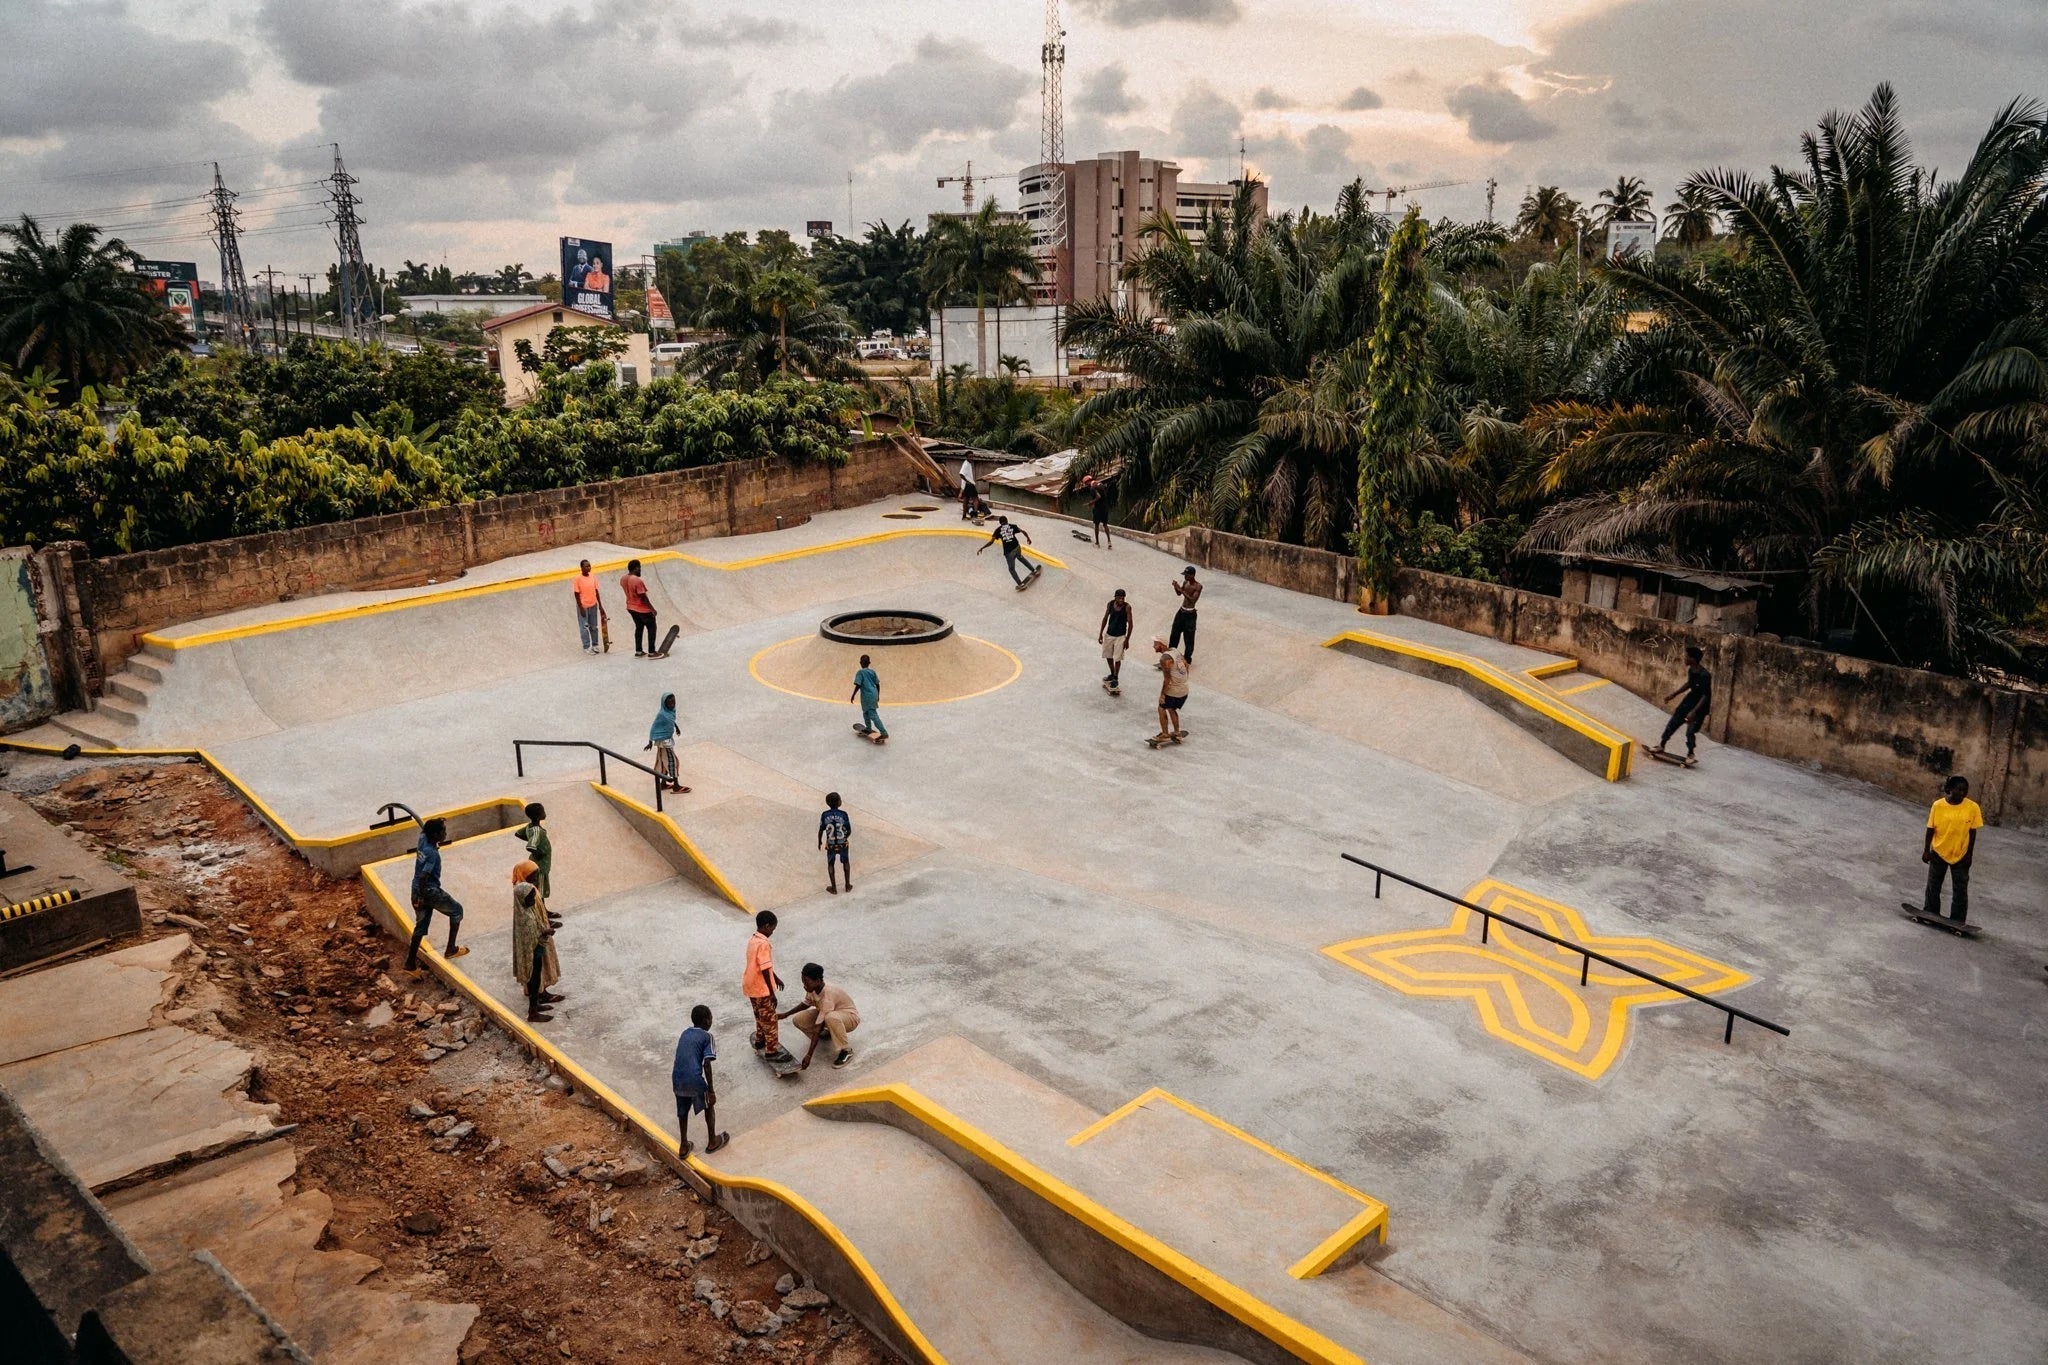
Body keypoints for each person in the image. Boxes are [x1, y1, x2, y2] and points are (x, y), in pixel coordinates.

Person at [1920, 775, 1984, 924]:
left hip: (1960, 855)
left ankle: (1957, 919)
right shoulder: (1938, 806)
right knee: (1933, 885)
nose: (1963, 793)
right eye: (1959, 789)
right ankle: (1930, 912)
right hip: (1939, 852)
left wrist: (1969, 854)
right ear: (1949, 789)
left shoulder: (1973, 807)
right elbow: (1930, 829)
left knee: (1960, 889)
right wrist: (1926, 850)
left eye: (1965, 790)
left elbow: (1972, 832)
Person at [405, 818, 467, 970]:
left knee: (420, 926)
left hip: (416, 890)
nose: (445, 833)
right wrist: (422, 896)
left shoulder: (422, 839)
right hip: (429, 891)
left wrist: (417, 896)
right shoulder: (432, 854)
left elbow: (423, 829)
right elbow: (424, 876)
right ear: (435, 834)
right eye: (443, 831)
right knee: (457, 911)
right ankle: (451, 949)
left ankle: (410, 963)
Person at [671, 1005, 729, 1155]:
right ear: (706, 1021)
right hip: (694, 1079)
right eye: (711, 1018)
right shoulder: (706, 1036)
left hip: (677, 1078)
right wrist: (711, 1090)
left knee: (682, 1111)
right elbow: (707, 1064)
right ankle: (712, 1141)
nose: (711, 1021)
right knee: (709, 1104)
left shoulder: (685, 1033)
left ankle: (684, 1145)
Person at [782, 963, 859, 1070]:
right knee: (798, 1019)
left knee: (830, 1017)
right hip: (830, 1014)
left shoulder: (828, 994)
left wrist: (809, 1055)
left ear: (818, 981)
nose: (804, 986)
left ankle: (846, 1051)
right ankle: (828, 1034)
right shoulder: (812, 988)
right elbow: (806, 1003)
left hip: (850, 1018)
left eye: (807, 983)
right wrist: (786, 1014)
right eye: (803, 982)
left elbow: (818, 1027)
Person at [511, 860, 562, 1023]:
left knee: (537, 975)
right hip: (533, 953)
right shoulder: (525, 916)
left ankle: (538, 1001)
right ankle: (533, 1011)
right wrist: (546, 930)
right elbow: (532, 934)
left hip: (537, 949)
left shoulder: (526, 908)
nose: (533, 900)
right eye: (531, 898)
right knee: (534, 979)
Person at [743, 911, 795, 1065]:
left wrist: (776, 977)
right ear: (766, 926)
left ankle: (760, 1039)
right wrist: (772, 993)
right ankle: (771, 1051)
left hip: (750, 985)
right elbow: (765, 969)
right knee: (770, 1020)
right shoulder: (764, 943)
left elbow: (763, 965)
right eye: (772, 928)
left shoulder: (753, 940)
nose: (773, 931)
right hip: (762, 989)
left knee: (759, 1015)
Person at [1648, 645, 1712, 767]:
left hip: (1699, 707)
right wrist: (1674, 694)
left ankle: (1690, 754)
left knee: (1690, 731)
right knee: (1673, 723)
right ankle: (1661, 745)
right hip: (1688, 701)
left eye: (1686, 656)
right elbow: (1689, 684)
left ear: (1693, 659)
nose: (1684, 658)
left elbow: (1705, 696)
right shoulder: (1691, 670)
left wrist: (1693, 712)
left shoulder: (1705, 675)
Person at [517, 802, 560, 928]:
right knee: (539, 893)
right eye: (542, 811)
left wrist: (531, 838)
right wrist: (540, 852)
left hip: (540, 865)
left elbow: (518, 833)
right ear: (537, 816)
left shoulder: (531, 827)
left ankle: (544, 912)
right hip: (539, 866)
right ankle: (543, 919)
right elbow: (530, 846)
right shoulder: (536, 830)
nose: (544, 813)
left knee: (540, 891)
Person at [645, 693, 690, 793]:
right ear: (665, 704)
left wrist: (676, 728)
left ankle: (663, 783)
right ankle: (676, 786)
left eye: (674, 702)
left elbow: (671, 721)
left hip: (667, 739)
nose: (673, 704)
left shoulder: (670, 712)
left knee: (662, 760)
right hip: (664, 741)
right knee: (672, 761)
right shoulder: (662, 715)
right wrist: (650, 741)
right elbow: (654, 727)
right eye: (670, 703)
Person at [977, 515, 1038, 586]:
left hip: (1009, 552)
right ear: (1007, 521)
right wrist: (1028, 538)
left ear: (1000, 523)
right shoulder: (1012, 526)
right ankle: (1034, 570)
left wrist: (982, 548)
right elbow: (1023, 531)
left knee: (1011, 569)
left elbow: (991, 542)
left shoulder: (997, 530)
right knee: (1020, 557)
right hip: (1017, 547)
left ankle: (1020, 584)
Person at [1151, 636, 1189, 744]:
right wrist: (1184, 680)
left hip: (1175, 690)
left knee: (1161, 707)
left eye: (1155, 644)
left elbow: (1167, 680)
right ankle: (1177, 732)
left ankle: (1165, 734)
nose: (1153, 646)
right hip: (1184, 689)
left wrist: (1162, 695)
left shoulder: (1164, 659)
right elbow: (1186, 665)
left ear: (1161, 645)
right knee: (1171, 708)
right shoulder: (1175, 651)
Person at [620, 559, 658, 656]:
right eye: (640, 568)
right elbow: (643, 596)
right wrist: (652, 609)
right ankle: (652, 652)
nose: (640, 570)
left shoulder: (623, 578)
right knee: (652, 627)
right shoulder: (637, 580)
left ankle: (639, 650)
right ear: (636, 568)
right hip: (641, 609)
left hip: (631, 608)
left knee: (639, 627)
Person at [1098, 589, 1133, 691]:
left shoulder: (1127, 607)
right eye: (1119, 598)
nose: (1121, 600)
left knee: (1117, 658)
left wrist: (1127, 639)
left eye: (1123, 598)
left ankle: (1116, 678)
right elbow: (1105, 618)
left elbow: (1131, 624)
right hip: (1109, 634)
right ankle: (1112, 674)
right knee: (1108, 655)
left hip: (1120, 636)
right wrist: (1100, 633)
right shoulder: (1110, 604)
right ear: (1115, 597)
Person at [819, 791, 853, 894]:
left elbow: (821, 830)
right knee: (846, 862)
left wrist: (819, 841)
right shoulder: (843, 814)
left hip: (831, 844)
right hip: (843, 843)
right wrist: (845, 838)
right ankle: (847, 885)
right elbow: (849, 830)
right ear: (839, 802)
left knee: (830, 863)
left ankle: (833, 888)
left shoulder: (824, 815)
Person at [850, 655, 888, 743]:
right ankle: (868, 728)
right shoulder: (872, 672)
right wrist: (877, 695)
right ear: (869, 663)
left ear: (860, 663)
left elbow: (858, 685)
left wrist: (853, 695)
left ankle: (884, 732)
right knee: (866, 712)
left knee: (873, 714)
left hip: (867, 696)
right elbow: (878, 684)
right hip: (873, 694)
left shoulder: (860, 672)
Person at [1169, 566, 1203, 664]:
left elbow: (1193, 600)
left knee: (1189, 639)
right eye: (1185, 575)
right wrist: (1176, 587)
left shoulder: (1198, 586)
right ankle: (1170, 656)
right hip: (1181, 612)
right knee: (1174, 634)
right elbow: (1179, 594)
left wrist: (1181, 590)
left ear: (1192, 575)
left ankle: (1187, 660)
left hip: (1190, 615)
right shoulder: (1185, 583)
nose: (1185, 577)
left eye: (1187, 575)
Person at [572, 559, 605, 654]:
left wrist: (600, 606)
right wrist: (581, 608)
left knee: (594, 626)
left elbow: (596, 591)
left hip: (593, 605)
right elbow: (576, 594)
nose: (589, 567)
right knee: (584, 627)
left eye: (589, 565)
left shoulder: (592, 576)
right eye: (586, 566)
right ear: (581, 568)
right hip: (583, 606)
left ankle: (595, 645)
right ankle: (586, 646)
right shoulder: (577, 579)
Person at [1086, 476, 1113, 549]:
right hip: (1105, 507)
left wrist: (1091, 502)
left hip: (1098, 508)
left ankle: (1097, 543)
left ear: (1088, 482)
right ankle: (1109, 541)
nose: (1086, 485)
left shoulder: (1092, 487)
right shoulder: (1100, 484)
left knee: (1096, 525)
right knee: (1105, 524)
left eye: (1086, 483)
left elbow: (1098, 496)